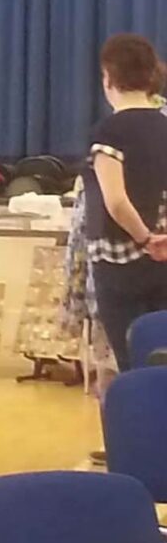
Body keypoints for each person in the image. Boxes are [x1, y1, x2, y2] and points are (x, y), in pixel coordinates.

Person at [83, 33, 167, 373]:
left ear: (108, 78)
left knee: (135, 365)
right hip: (164, 260)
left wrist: (144, 238)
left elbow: (116, 201)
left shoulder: (109, 131)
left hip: (121, 266)